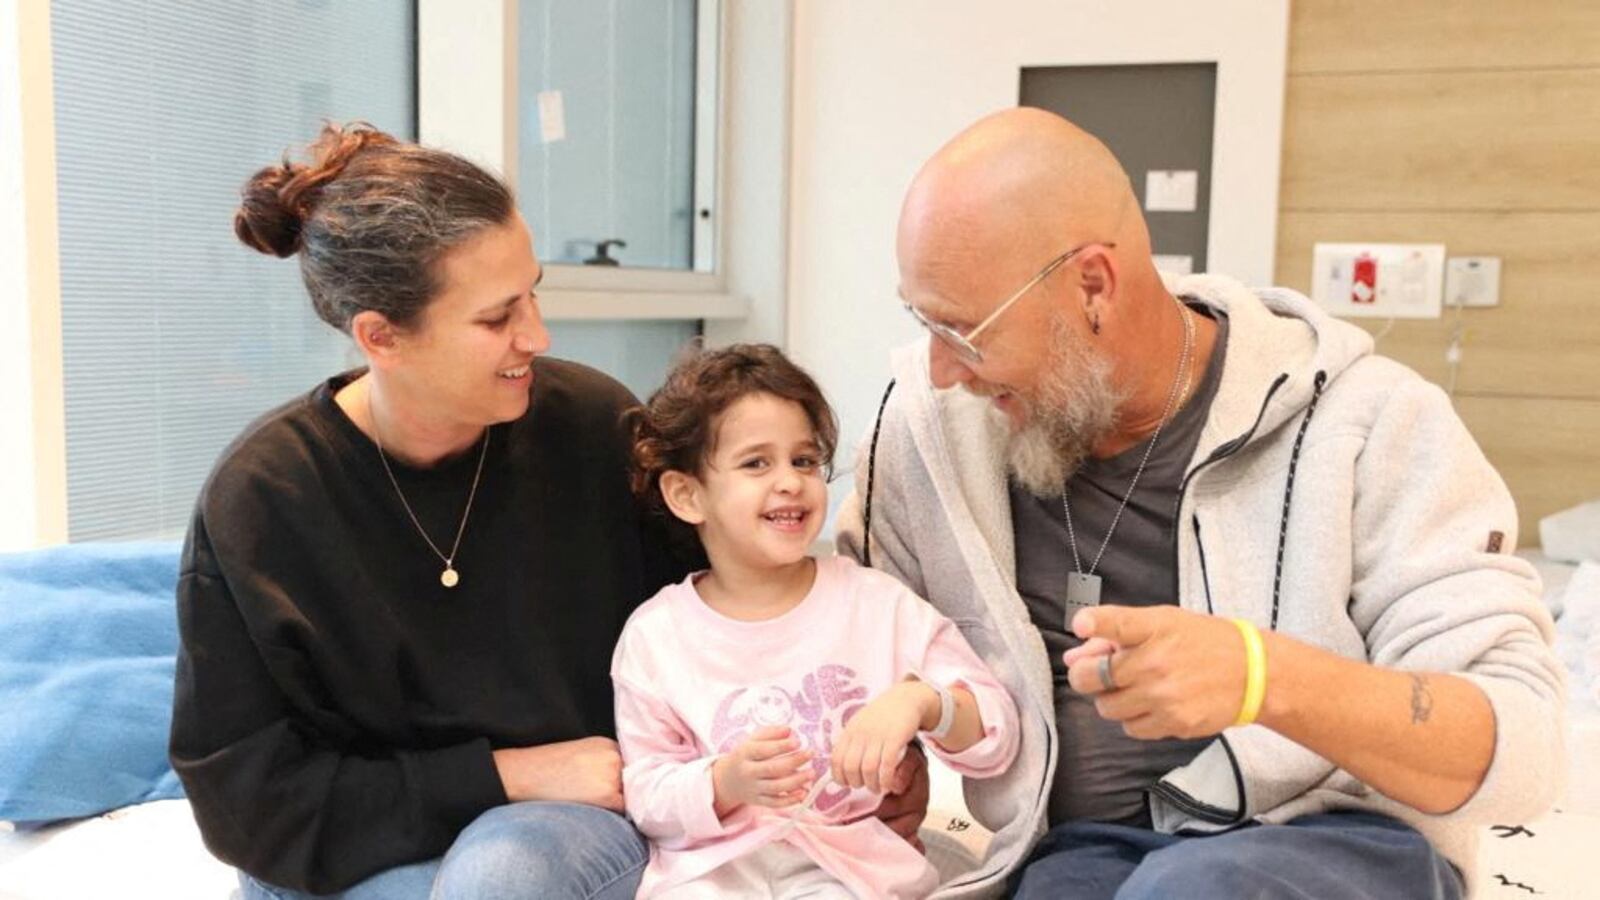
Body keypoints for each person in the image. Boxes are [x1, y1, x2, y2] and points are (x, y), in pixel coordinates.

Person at [168, 124, 930, 900]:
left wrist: (868, 744)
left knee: (497, 880)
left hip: (558, 830)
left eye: (533, 293)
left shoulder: (591, 426)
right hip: (360, 842)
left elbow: (746, 608)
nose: (536, 334)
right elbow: (249, 807)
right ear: (381, 336)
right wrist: (505, 775)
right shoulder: (261, 502)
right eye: (497, 319)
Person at [835, 107, 1565, 899]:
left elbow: (1524, 753)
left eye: (965, 332)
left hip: (1328, 839)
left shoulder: (1372, 425)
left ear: (1092, 286)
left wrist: (1264, 678)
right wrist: (895, 766)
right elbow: (843, 632)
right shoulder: (926, 434)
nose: (942, 370)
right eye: (923, 321)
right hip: (1074, 855)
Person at [615, 344, 1019, 898]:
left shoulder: (879, 605)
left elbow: (997, 732)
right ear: (687, 495)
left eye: (803, 460)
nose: (789, 481)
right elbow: (647, 794)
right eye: (756, 462)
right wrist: (725, 782)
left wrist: (921, 702)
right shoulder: (653, 637)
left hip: (850, 872)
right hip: (711, 876)